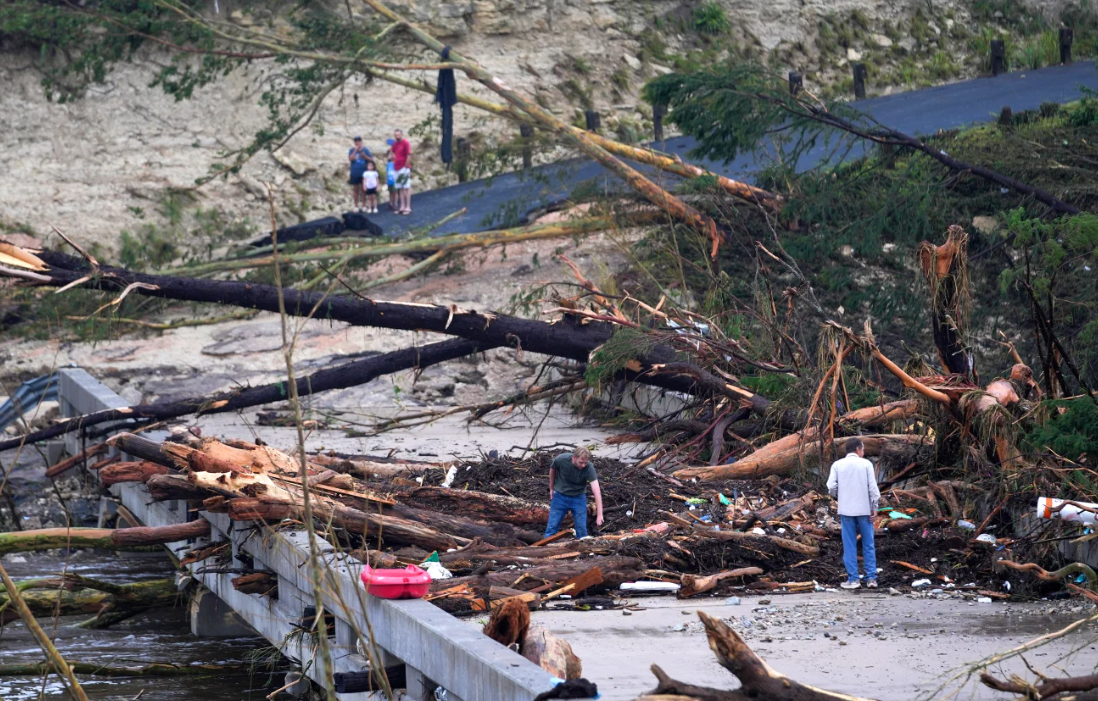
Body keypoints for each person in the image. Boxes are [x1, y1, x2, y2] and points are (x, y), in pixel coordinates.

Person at [826, 437, 881, 589]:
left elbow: (831, 487)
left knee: (849, 545)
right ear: (857, 449)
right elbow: (873, 489)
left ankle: (854, 579)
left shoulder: (837, 465)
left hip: (846, 510)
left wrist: (840, 496)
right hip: (865, 510)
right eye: (863, 449)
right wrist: (874, 507)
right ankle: (871, 579)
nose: (863, 452)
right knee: (868, 544)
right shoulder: (866, 464)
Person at [544, 447, 604, 539]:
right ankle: (546, 546)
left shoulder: (589, 468)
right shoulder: (562, 459)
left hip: (578, 498)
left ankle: (582, 547)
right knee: (552, 527)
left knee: (581, 529)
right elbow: (552, 470)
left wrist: (600, 514)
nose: (583, 465)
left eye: (585, 463)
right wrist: (551, 488)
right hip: (560, 496)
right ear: (574, 458)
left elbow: (596, 490)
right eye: (581, 462)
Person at [347, 136, 374, 212]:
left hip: (364, 173)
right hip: (355, 172)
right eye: (356, 141)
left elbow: (371, 159)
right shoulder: (351, 150)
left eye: (359, 141)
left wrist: (363, 154)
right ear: (354, 143)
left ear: (361, 142)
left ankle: (363, 205)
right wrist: (355, 151)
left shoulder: (365, 150)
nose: (358, 143)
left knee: (363, 190)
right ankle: (356, 206)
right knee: (356, 190)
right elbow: (350, 159)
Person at [391, 128, 412, 215]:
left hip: (404, 167)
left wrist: (406, 166)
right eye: (396, 135)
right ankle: (402, 206)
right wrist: (393, 159)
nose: (397, 136)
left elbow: (409, 154)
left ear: (401, 135)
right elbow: (392, 152)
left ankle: (408, 207)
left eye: (398, 135)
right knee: (400, 187)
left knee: (406, 187)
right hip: (397, 168)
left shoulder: (405, 143)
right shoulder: (395, 144)